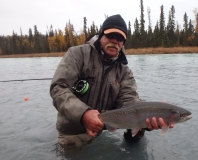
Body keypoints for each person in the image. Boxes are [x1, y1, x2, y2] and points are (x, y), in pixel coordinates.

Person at [50, 14, 173, 149]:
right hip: (73, 133)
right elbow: (58, 88)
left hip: (104, 131)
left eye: (120, 38)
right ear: (101, 35)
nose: (115, 40)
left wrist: (152, 113)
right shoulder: (77, 54)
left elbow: (129, 102)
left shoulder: (124, 71)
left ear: (123, 42)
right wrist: (83, 114)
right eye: (110, 35)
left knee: (139, 133)